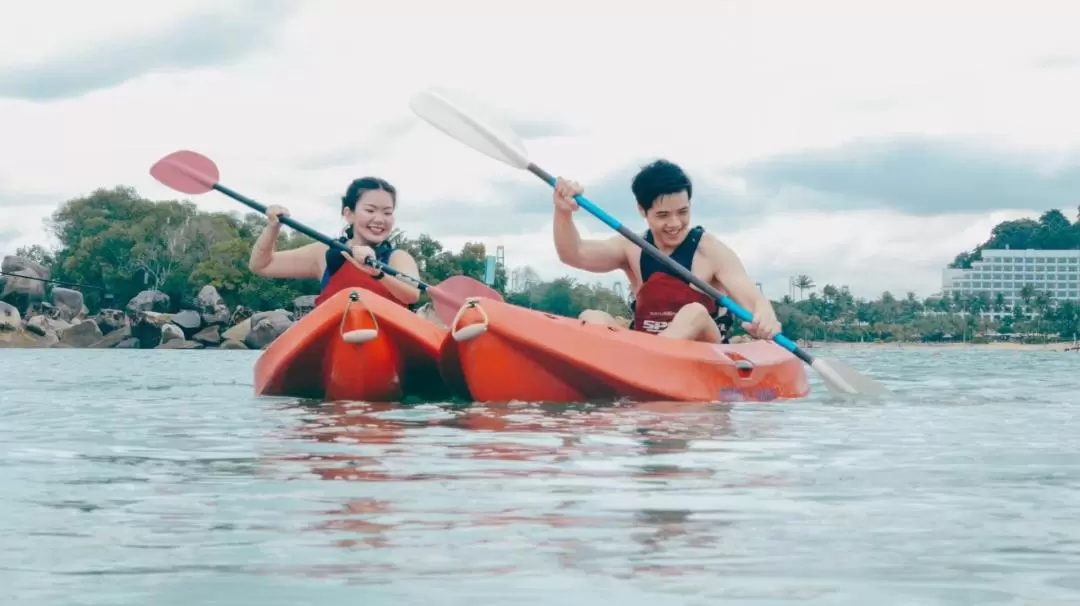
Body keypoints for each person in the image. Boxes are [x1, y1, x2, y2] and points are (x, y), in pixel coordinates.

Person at [551, 159, 781, 344]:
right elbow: (574, 254)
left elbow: (754, 301)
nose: (675, 223)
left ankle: (644, 362)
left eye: (683, 212)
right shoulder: (631, 247)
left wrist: (765, 316)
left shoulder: (710, 251)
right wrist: (563, 212)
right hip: (645, 344)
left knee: (694, 313)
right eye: (663, 215)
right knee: (592, 317)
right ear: (643, 210)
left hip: (705, 347)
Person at [248, 176, 421, 308]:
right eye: (370, 210)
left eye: (387, 213)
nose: (379, 219)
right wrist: (272, 228)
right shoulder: (324, 253)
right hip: (336, 342)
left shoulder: (398, 258)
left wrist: (378, 274)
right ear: (349, 213)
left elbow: (412, 295)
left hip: (384, 343)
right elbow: (261, 265)